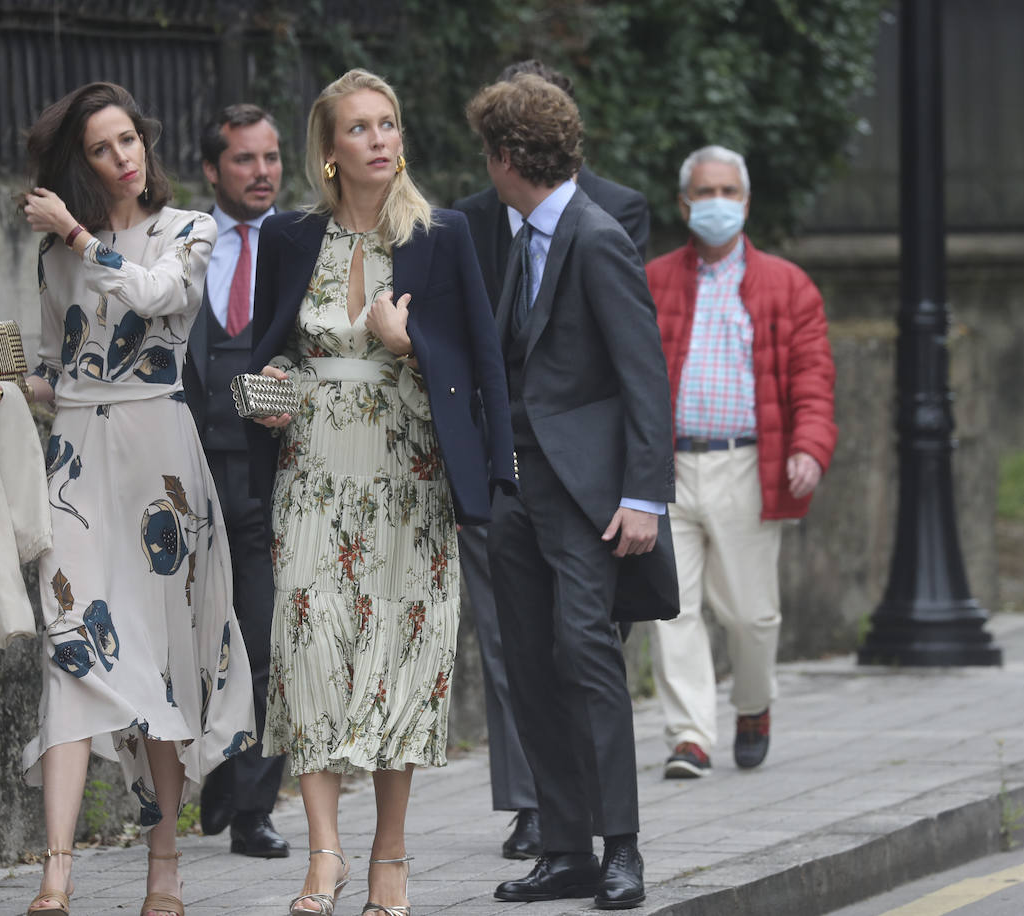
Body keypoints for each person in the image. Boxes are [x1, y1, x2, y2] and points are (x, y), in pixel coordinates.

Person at [0, 81, 255, 916]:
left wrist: (83, 237)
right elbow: (64, 371)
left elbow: (159, 298)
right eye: (103, 147)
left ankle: (164, 867)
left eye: (130, 139)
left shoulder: (187, 230)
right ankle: (55, 872)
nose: (124, 157)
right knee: (69, 652)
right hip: (77, 463)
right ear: (80, 164)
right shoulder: (55, 254)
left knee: (159, 661)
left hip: (159, 461)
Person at [245, 68, 516, 916]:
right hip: (313, 474)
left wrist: (408, 349)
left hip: (411, 479)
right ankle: (324, 857)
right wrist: (275, 384)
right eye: (359, 128)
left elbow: (481, 363)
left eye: (389, 124)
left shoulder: (445, 234)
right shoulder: (290, 239)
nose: (380, 139)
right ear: (329, 151)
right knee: (309, 651)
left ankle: (389, 859)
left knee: (402, 665)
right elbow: (270, 347)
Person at [466, 74, 678, 910]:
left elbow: (643, 373)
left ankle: (620, 848)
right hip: (515, 485)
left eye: (487, 154)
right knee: (527, 663)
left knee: (584, 656)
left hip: (587, 498)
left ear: (507, 157)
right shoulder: (521, 236)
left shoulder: (592, 235)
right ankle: (564, 849)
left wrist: (645, 496)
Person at [646, 145, 836, 778]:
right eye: (705, 192)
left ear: (746, 203)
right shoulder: (655, 280)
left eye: (729, 192)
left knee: (751, 615)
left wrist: (810, 447)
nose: (717, 203)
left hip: (748, 467)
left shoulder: (788, 284)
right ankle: (690, 737)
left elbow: (813, 377)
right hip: (668, 467)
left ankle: (753, 706)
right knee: (672, 608)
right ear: (684, 204)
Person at [182, 103, 289, 859]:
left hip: (273, 468)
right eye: (245, 160)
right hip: (188, 465)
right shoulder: (182, 245)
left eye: (272, 158)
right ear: (213, 170)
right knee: (193, 633)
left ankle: (254, 807)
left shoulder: (301, 243)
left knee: (266, 632)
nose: (262, 173)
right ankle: (214, 769)